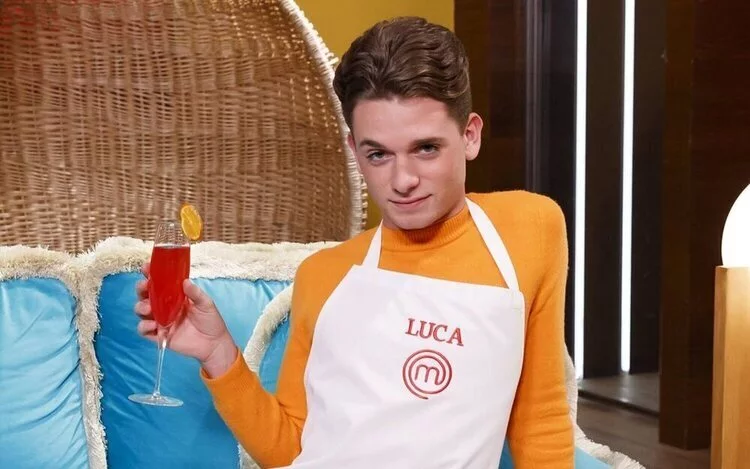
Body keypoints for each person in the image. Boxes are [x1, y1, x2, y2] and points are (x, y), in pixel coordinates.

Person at [135, 16, 574, 468]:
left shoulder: (529, 230)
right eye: (378, 154)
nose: (403, 180)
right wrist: (218, 352)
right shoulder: (324, 276)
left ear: (470, 136)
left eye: (426, 148)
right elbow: (289, 451)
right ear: (355, 152)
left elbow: (541, 420)